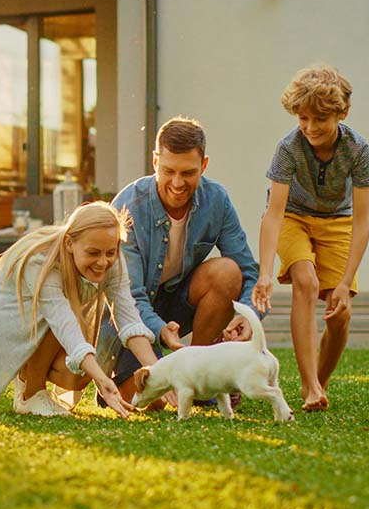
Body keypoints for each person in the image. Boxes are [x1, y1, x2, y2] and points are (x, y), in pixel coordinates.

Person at [97, 116, 260, 405]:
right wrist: (160, 330)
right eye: (168, 170)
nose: (177, 182)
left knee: (227, 272)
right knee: (154, 400)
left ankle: (200, 376)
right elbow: (130, 298)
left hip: (177, 302)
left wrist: (248, 316)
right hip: (128, 314)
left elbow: (248, 271)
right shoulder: (127, 206)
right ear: (155, 160)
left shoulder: (217, 200)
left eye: (188, 173)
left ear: (204, 165)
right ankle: (123, 379)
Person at [0, 201, 161, 418]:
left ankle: (28, 379)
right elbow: (63, 323)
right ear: (70, 243)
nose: (103, 262)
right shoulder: (42, 262)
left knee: (77, 376)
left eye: (110, 252)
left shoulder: (112, 259)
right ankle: (30, 394)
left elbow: (129, 320)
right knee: (68, 331)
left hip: (39, 321)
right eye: (93, 253)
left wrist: (161, 374)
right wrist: (103, 379)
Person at [253, 64, 369, 411]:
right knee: (305, 281)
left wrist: (346, 280)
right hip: (293, 216)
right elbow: (274, 213)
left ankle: (319, 385)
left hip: (338, 220)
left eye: (319, 119)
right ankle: (308, 386)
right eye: (302, 118)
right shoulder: (289, 148)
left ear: (343, 112)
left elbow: (363, 220)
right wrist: (265, 273)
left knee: (340, 313)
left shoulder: (358, 150)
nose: (309, 128)